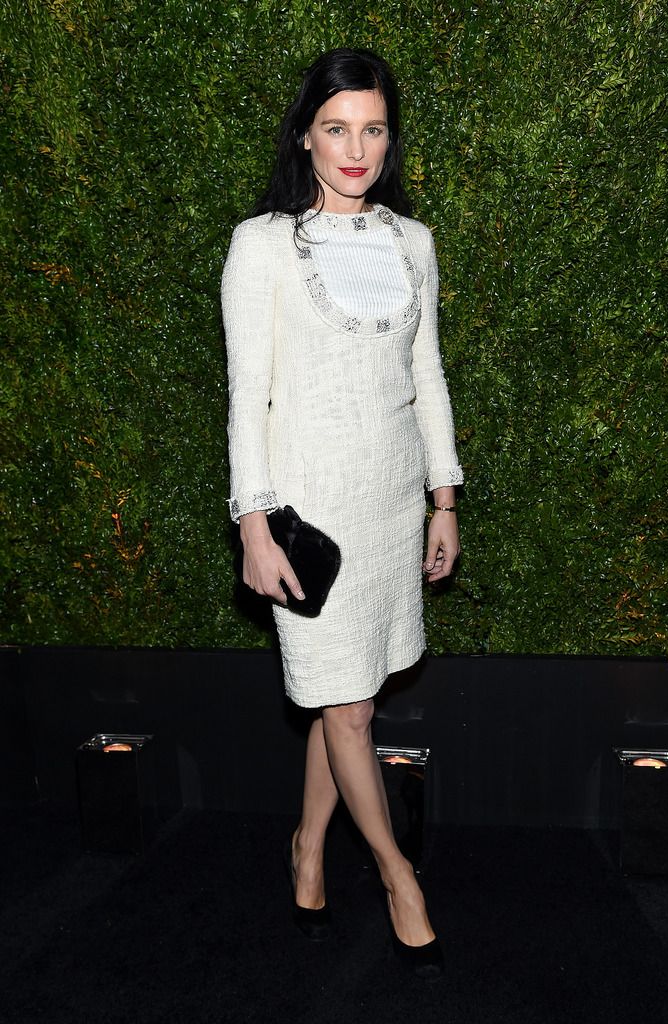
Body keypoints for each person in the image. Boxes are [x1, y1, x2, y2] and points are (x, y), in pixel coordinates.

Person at [221, 48, 463, 979]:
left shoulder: (414, 242)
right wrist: (252, 521)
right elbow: (249, 397)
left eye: (372, 128)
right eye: (336, 127)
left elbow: (426, 377)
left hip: (394, 504)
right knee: (350, 706)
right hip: (310, 518)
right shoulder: (262, 245)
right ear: (304, 135)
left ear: (388, 137)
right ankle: (401, 877)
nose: (355, 148)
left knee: (347, 697)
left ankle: (308, 846)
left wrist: (444, 501)